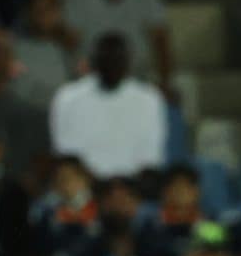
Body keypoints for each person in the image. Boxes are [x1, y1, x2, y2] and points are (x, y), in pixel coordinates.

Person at [50, 33, 167, 181]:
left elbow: (151, 156)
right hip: (82, 183)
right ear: (94, 61)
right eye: (106, 59)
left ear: (128, 62)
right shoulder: (67, 97)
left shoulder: (150, 98)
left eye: (117, 60)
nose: (112, 65)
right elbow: (65, 152)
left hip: (133, 185)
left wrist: (123, 186)